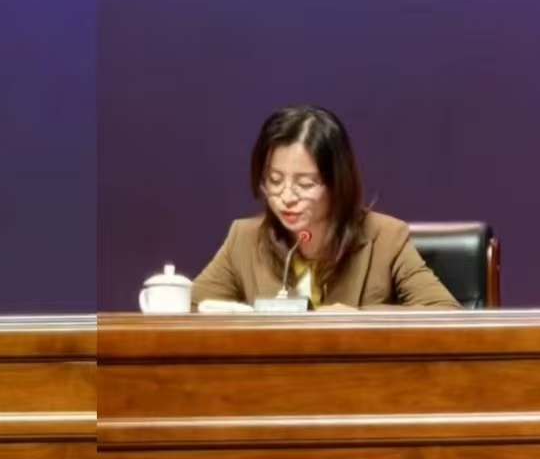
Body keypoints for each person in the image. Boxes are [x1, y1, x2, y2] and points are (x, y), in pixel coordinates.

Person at [191, 106, 459, 311]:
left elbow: (445, 313)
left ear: (337, 184)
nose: (286, 197)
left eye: (305, 184)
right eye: (274, 180)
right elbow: (190, 311)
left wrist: (361, 319)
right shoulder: (244, 239)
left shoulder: (386, 238)